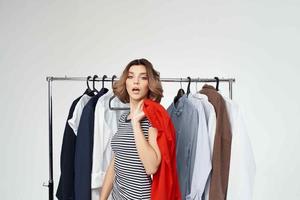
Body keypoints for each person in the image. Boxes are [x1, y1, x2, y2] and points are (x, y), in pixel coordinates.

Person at [99, 58, 164, 200]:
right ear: (125, 82)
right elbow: (116, 162)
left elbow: (151, 167)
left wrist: (136, 123)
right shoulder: (123, 119)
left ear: (150, 84)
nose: (136, 82)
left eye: (143, 77)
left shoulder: (153, 119)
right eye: (130, 76)